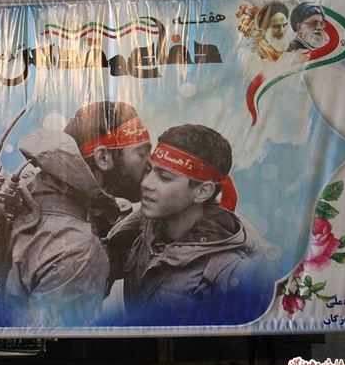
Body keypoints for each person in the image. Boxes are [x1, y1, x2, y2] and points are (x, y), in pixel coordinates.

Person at [1, 101, 152, 327]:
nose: (151, 165)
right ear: (103, 158)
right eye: (141, 153)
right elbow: (58, 338)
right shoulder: (80, 252)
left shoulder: (33, 185)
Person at [109, 124, 276, 326]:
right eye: (149, 170)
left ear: (202, 192)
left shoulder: (233, 270)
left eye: (164, 177)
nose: (146, 183)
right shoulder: (138, 231)